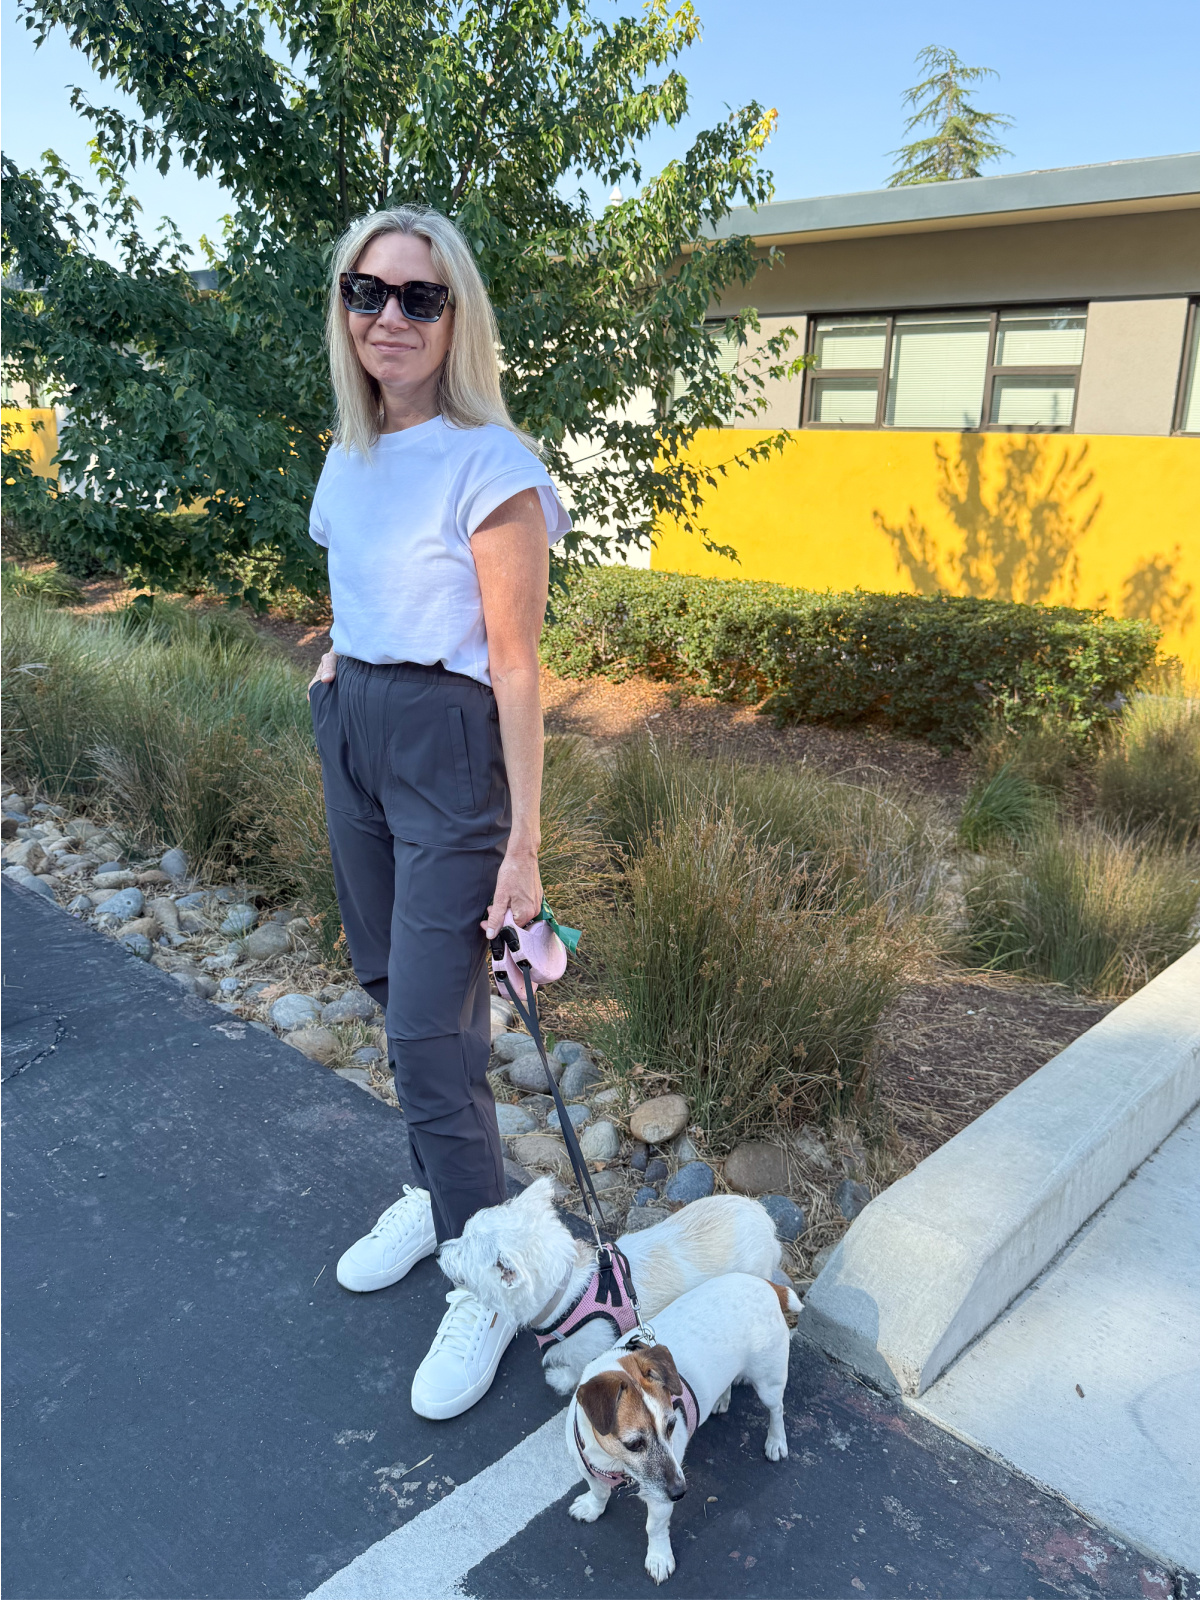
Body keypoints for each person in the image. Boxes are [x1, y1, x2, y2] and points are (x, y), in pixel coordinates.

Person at [305, 203, 570, 1420]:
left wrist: (524, 842)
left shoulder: (492, 464)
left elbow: (516, 666)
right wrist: (331, 680)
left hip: (451, 754)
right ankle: (440, 1188)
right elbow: (352, 584)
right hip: (354, 723)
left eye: (419, 297)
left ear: (456, 315)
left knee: (425, 1032)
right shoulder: (349, 451)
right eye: (370, 292)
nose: (390, 317)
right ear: (345, 307)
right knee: (385, 986)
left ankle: (489, 1272)